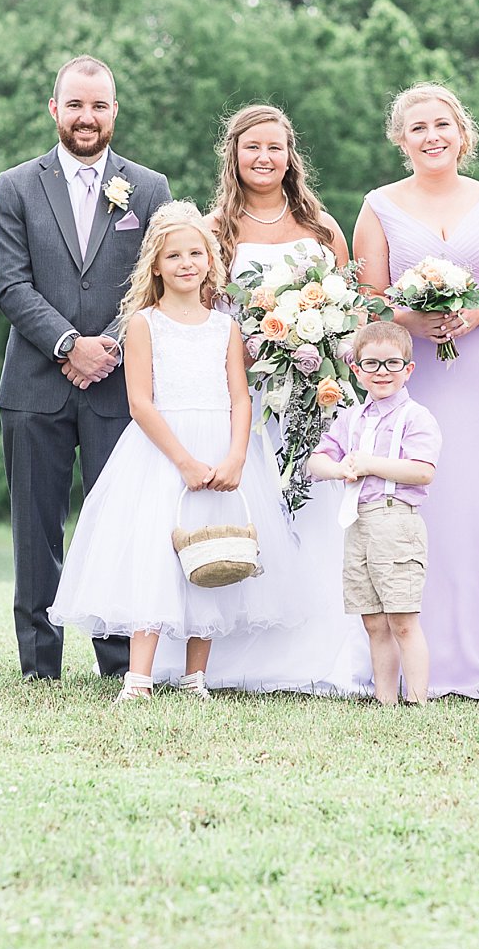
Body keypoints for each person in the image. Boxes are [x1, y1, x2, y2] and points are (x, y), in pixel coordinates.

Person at [152, 103, 373, 696]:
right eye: (252, 147)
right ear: (234, 155)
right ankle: (218, 659)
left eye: (275, 147)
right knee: (246, 511)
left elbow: (348, 310)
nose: (264, 158)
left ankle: (314, 651)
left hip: (314, 391)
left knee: (313, 515)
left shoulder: (322, 227)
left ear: (290, 154)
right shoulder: (214, 229)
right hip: (239, 393)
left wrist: (322, 343)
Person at [48, 203, 300, 701]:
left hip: (221, 447)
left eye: (196, 253)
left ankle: (195, 677)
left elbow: (240, 397)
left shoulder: (225, 327)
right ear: (156, 266)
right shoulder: (144, 324)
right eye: (175, 255)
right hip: (163, 452)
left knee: (213, 550)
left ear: (211, 260)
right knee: (157, 556)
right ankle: (138, 677)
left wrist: (234, 458)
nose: (187, 262)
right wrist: (183, 460)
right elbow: (140, 402)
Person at [0, 55, 172, 680]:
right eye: (75, 105)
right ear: (54, 110)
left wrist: (109, 348)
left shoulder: (150, 189)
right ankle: (40, 661)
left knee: (118, 526)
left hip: (121, 389)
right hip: (35, 385)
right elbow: (9, 284)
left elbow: (157, 283)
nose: (87, 118)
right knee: (35, 530)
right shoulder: (15, 186)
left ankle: (119, 659)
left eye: (99, 106)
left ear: (114, 110)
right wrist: (69, 345)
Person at [353, 83, 479, 697]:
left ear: (462, 132)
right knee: (415, 507)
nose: (433, 137)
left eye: (443, 125)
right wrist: (409, 320)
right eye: (419, 128)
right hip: (412, 377)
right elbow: (369, 299)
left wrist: (477, 313)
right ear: (403, 141)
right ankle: (413, 659)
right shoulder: (379, 205)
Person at [305, 321, 440, 705]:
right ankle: (385, 700)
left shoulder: (416, 417)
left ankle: (417, 700)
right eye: (372, 364)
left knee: (402, 618)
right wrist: (340, 468)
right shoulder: (351, 417)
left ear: (408, 369)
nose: (382, 372)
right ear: (357, 370)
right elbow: (317, 462)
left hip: (396, 521)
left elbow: (422, 470)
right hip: (358, 522)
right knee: (373, 620)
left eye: (392, 364)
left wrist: (369, 463)